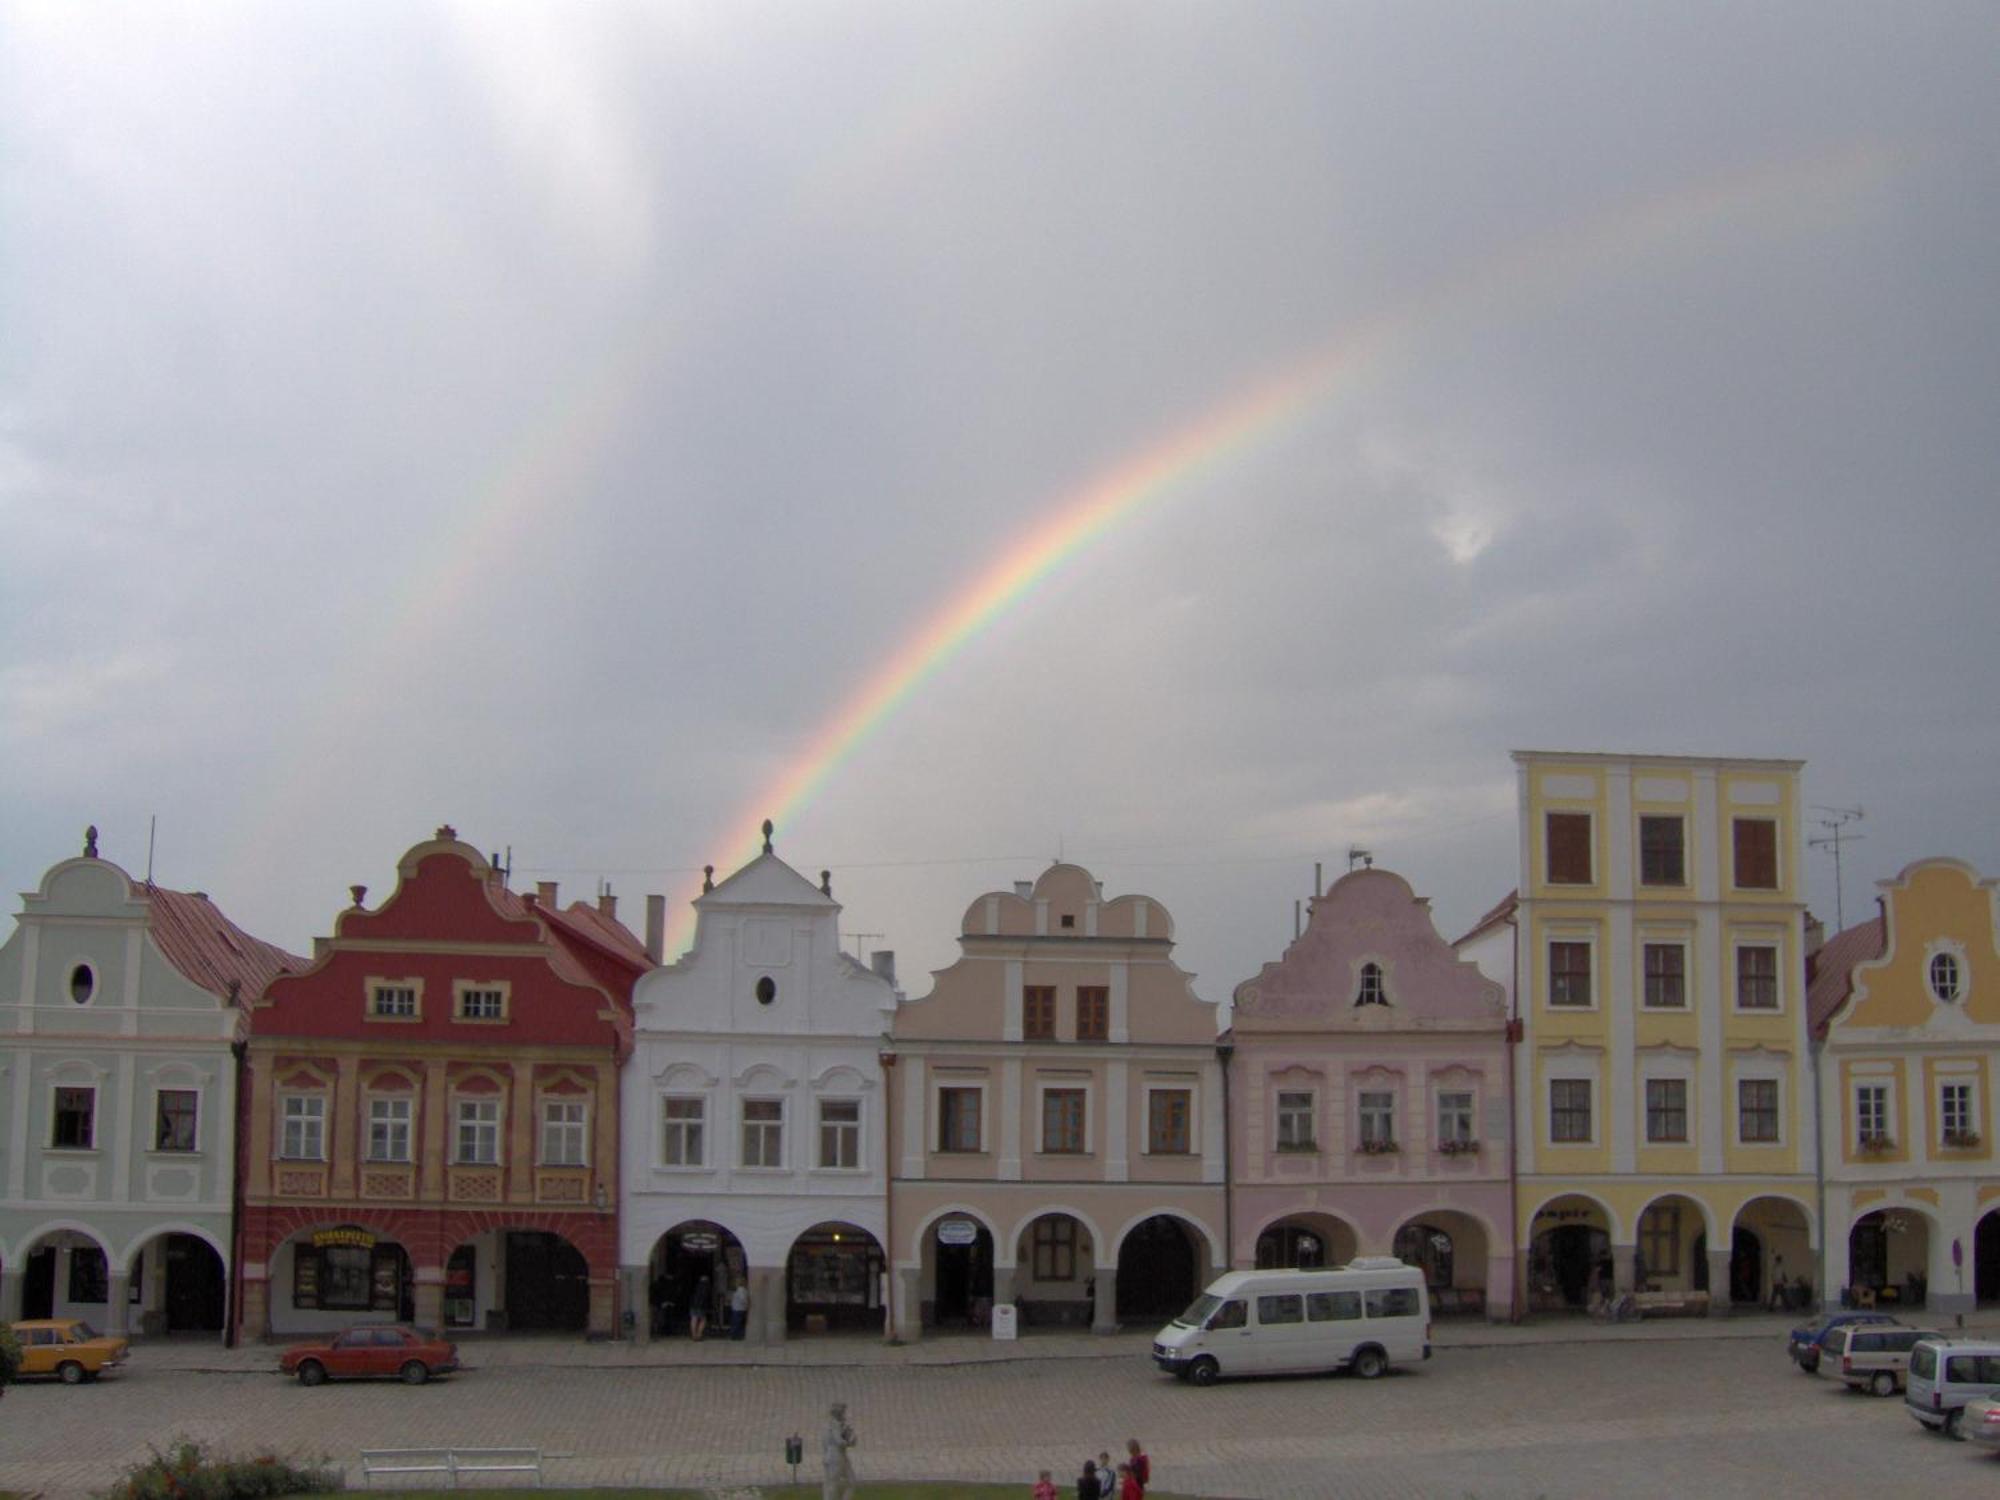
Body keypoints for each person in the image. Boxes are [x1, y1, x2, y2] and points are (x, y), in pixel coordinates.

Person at [821, 1401, 857, 1500]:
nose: (844, 1414)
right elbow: (839, 1441)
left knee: (851, 1481)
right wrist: (849, 1442)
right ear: (838, 1413)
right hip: (835, 1457)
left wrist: (850, 1435)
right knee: (832, 1484)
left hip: (839, 1456)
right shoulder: (834, 1425)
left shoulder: (838, 1425)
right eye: (843, 1411)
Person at [689, 1273, 712, 1341]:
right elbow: (706, 1297)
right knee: (703, 1320)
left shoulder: (697, 1286)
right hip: (701, 1306)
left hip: (693, 1305)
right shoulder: (707, 1287)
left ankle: (693, 1335)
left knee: (694, 1319)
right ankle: (699, 1334)